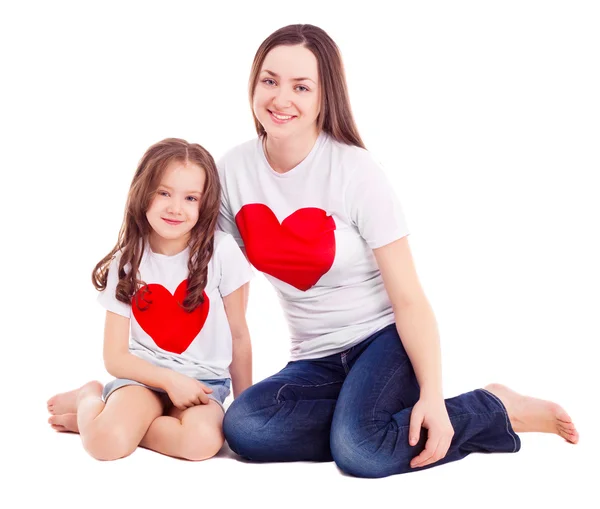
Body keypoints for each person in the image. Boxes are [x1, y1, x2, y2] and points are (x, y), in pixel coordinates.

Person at [217, 24, 579, 478]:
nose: (280, 98)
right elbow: (205, 270)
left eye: (301, 86)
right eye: (269, 81)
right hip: (314, 358)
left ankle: (493, 408)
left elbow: (408, 297)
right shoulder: (232, 170)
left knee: (361, 452)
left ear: (324, 96)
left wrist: (431, 394)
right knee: (244, 428)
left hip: (386, 343)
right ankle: (362, 419)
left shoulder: (355, 171)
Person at [47, 138, 253, 461]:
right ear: (144, 193)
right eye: (164, 192)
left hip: (204, 383)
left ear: (205, 203)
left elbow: (239, 336)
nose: (175, 207)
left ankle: (117, 421)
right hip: (144, 377)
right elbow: (114, 356)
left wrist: (245, 410)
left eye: (190, 198)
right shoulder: (128, 260)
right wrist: (169, 381)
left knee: (201, 442)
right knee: (105, 444)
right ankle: (91, 397)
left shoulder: (223, 251)